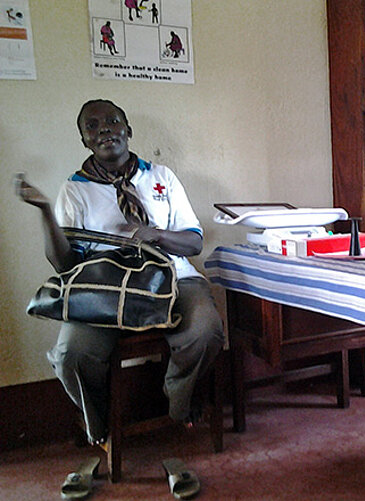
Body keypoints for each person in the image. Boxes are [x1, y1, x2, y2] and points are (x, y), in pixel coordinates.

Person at [15, 99, 224, 451]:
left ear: (128, 130)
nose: (105, 130)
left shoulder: (160, 176)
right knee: (72, 355)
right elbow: (65, 266)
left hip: (171, 275)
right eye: (93, 126)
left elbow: (193, 243)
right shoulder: (76, 189)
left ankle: (177, 399)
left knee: (206, 331)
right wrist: (45, 212)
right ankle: (98, 419)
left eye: (113, 121)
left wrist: (156, 235)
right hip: (106, 287)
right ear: (84, 140)